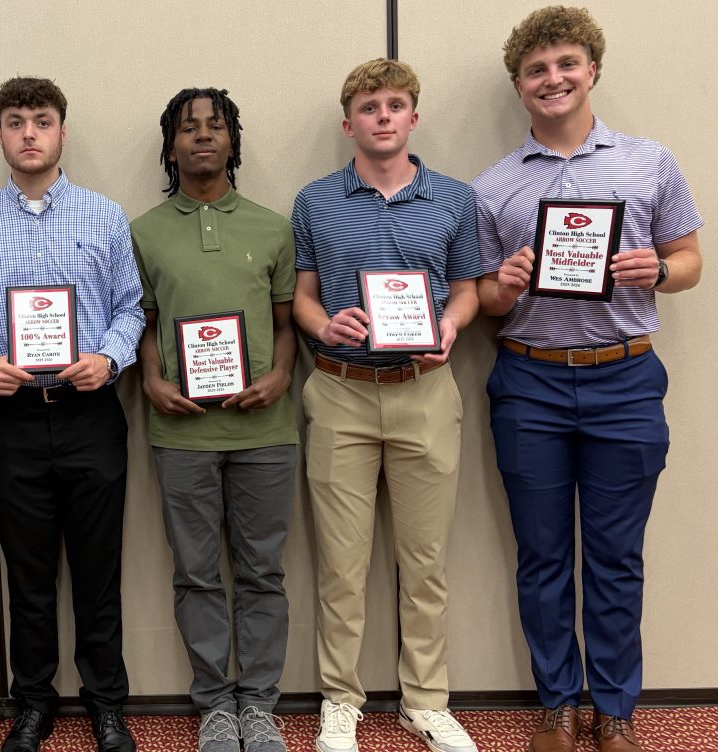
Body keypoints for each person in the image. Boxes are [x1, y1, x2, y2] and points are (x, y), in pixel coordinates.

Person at [473, 8, 703, 752]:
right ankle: (556, 704)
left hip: (625, 381)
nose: (553, 79)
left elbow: (692, 261)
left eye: (566, 64)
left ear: (592, 70)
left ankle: (615, 709)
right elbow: (481, 302)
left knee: (614, 557)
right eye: (537, 70)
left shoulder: (650, 162)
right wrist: (504, 284)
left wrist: (660, 270)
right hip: (530, 383)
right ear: (519, 85)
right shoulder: (493, 186)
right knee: (541, 557)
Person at [291, 59, 481, 752]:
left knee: (423, 561)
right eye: (369, 106)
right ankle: (341, 700)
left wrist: (454, 327)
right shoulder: (314, 200)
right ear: (349, 123)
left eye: (396, 105)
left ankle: (426, 701)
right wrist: (322, 326)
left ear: (413, 118)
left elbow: (467, 289)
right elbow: (304, 296)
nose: (383, 116)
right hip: (339, 390)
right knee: (341, 567)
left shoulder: (455, 199)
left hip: (425, 392)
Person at [0, 76, 144, 752]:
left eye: (41, 120)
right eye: (14, 121)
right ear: (0, 133)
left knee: (99, 571)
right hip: (11, 422)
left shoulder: (105, 216)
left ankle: (106, 703)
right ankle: (32, 704)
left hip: (90, 412)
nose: (28, 133)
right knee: (28, 576)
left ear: (62, 131)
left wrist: (112, 358)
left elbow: (131, 307)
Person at [130, 87, 297, 752]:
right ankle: (214, 707)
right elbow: (141, 323)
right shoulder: (142, 231)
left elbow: (287, 325)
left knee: (262, 572)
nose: (203, 136)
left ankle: (258, 704)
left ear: (233, 140)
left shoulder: (273, 226)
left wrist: (281, 374)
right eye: (188, 128)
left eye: (216, 125)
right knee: (195, 572)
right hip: (182, 435)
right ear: (170, 146)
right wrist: (149, 379)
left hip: (266, 432)